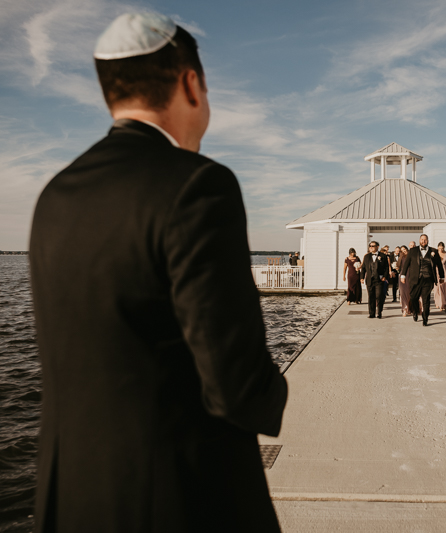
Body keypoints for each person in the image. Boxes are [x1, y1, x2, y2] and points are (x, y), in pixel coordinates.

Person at [27, 13, 288, 533]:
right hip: (177, 496)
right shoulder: (198, 186)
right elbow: (232, 379)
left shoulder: (55, 194)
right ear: (191, 83)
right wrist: (272, 397)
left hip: (71, 497)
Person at [400, 234, 445, 326]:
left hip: (428, 279)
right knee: (413, 297)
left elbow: (439, 265)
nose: (423, 241)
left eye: (425, 240)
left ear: (427, 241)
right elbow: (406, 264)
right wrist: (403, 275)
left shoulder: (434, 251)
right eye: (422, 239)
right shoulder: (413, 251)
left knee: (426, 299)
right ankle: (415, 311)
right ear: (419, 240)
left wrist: (442, 277)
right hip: (415, 279)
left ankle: (425, 318)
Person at [360, 241, 389, 318]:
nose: (371, 247)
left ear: (377, 247)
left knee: (379, 296)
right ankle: (371, 313)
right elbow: (363, 268)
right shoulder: (366, 257)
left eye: (373, 246)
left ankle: (379, 312)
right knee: (371, 297)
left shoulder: (383, 256)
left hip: (379, 280)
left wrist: (385, 276)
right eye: (370, 246)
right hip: (369, 279)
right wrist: (362, 277)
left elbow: (386, 267)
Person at [434, 242, 446, 313]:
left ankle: (444, 303)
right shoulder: (435, 253)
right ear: (438, 247)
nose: (441, 249)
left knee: (444, 288)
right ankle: (439, 303)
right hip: (437, 271)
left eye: (442, 248)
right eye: (440, 248)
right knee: (437, 288)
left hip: (444, 272)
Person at [397, 245, 411, 316]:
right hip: (402, 276)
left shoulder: (410, 256)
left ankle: (409, 308)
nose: (404, 251)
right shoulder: (401, 258)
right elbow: (398, 266)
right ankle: (404, 309)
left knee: (409, 294)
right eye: (402, 250)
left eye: (404, 249)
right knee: (403, 293)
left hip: (410, 275)